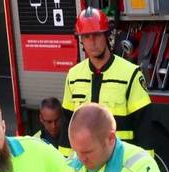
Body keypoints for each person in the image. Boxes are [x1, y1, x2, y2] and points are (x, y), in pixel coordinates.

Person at [60, 7, 151, 155]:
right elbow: (67, 126)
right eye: (86, 36)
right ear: (80, 40)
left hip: (120, 163)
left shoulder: (130, 74)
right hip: (85, 164)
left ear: (107, 36)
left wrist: (146, 169)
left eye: (97, 35)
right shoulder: (73, 76)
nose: (92, 42)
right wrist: (65, 164)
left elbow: (145, 128)